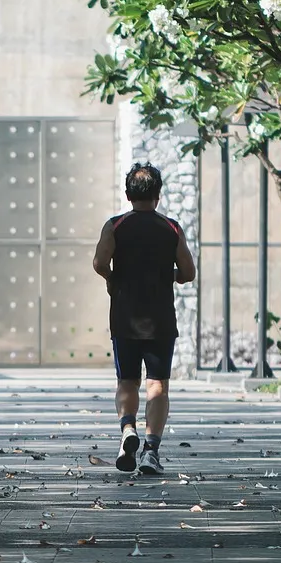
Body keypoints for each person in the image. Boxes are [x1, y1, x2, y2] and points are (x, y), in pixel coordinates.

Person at [91, 163, 196, 476]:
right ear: (158, 195)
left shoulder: (115, 225)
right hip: (161, 320)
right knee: (157, 385)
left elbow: (99, 262)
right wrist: (166, 275)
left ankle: (127, 431)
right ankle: (151, 450)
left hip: (124, 317)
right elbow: (188, 273)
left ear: (127, 194)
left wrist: (114, 277)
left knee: (127, 381)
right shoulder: (172, 228)